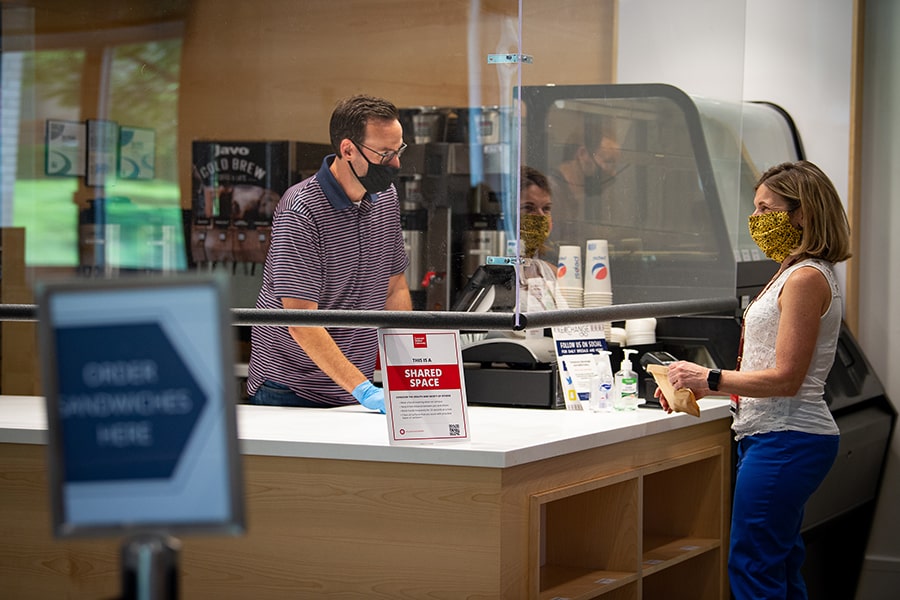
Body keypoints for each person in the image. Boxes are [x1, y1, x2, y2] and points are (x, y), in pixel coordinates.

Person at [656, 160, 852, 599]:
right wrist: (698, 387)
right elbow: (766, 365)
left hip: (787, 437)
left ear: (801, 214)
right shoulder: (794, 271)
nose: (756, 221)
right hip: (774, 435)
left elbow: (786, 379)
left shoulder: (804, 279)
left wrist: (709, 377)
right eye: (755, 209)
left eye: (766, 210)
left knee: (753, 568)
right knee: (778, 563)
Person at [246, 94, 412, 413]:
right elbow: (300, 321)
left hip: (351, 389)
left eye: (399, 150)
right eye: (385, 153)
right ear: (348, 149)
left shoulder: (386, 197)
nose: (396, 164)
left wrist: (407, 368)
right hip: (289, 390)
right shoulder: (301, 211)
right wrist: (365, 390)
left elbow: (395, 287)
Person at [517, 165, 563, 312]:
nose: (541, 216)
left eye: (546, 209)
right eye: (528, 208)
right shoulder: (496, 273)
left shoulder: (552, 274)